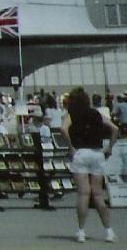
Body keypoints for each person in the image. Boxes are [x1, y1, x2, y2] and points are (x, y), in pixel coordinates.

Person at [64, 87, 118, 243]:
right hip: (97, 153)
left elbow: (63, 129)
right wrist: (110, 147)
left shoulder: (70, 115)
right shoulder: (96, 114)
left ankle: (81, 231)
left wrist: (70, 147)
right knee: (98, 194)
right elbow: (115, 128)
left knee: (83, 194)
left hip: (80, 153)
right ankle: (108, 231)